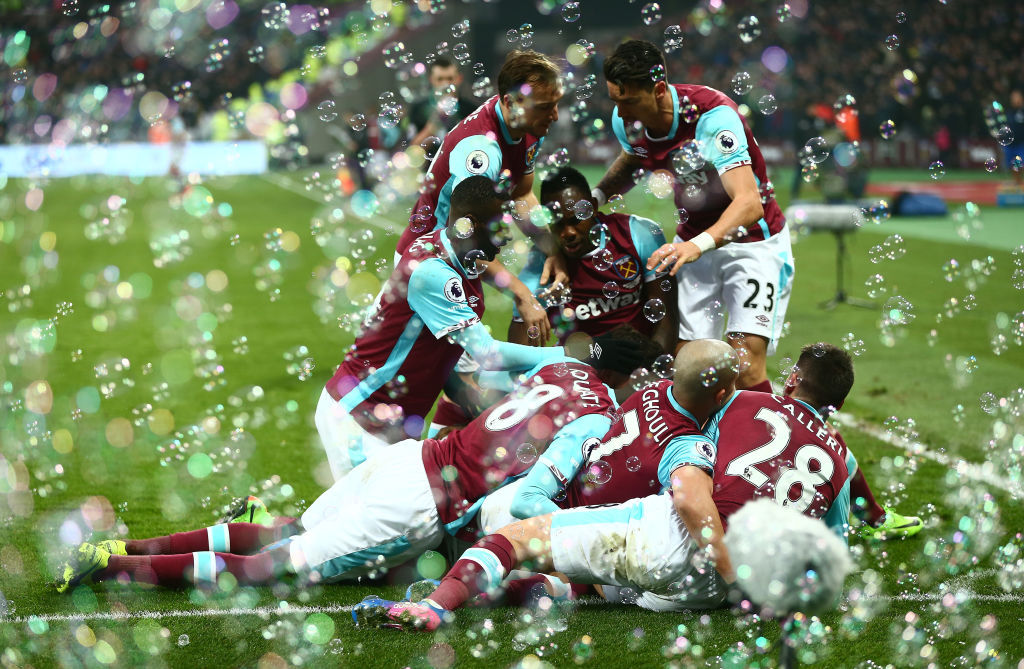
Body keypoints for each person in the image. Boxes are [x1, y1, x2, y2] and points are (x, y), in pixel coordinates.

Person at [349, 340, 857, 629]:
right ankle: (519, 588)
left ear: (792, 380)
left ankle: (434, 608)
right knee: (604, 583)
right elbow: (833, 550)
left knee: (513, 541)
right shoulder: (844, 460)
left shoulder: (743, 404)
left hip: (684, 542)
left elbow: (689, 492)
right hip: (712, 594)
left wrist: (728, 566)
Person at [53, 356, 625, 593]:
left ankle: (122, 545)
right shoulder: (599, 413)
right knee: (269, 567)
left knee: (283, 532)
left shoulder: (562, 366)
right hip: (423, 504)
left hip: (408, 458)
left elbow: (481, 373)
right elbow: (533, 495)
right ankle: (114, 565)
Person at [316, 176, 640, 480]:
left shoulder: (460, 260)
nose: (506, 238)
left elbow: (439, 350)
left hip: (390, 420)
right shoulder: (433, 273)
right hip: (360, 420)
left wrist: (468, 394)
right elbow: (489, 354)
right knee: (368, 523)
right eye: (498, 227)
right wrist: (585, 353)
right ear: (467, 224)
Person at [594, 39, 793, 394]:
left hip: (752, 242)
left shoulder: (712, 117)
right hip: (693, 246)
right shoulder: (628, 121)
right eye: (615, 101)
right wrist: (593, 200)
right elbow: (634, 158)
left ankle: (764, 431)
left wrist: (695, 246)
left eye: (629, 102)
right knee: (688, 367)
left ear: (658, 89)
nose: (620, 114)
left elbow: (749, 205)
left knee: (745, 365)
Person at [507, 166, 680, 355]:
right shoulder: (543, 265)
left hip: (641, 357)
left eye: (576, 220)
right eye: (558, 223)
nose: (568, 233)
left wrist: (652, 368)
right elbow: (520, 349)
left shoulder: (636, 234)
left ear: (593, 207)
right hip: (581, 366)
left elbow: (667, 318)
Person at [408, 55, 477, 153]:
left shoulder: (472, 110)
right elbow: (412, 151)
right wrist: (436, 121)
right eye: (440, 79)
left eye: (450, 78)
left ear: (459, 79)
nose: (445, 84)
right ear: (431, 80)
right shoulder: (418, 109)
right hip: (429, 163)